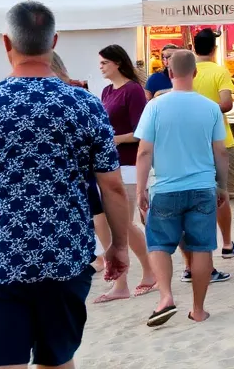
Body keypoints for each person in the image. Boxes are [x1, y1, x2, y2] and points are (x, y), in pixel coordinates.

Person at [0, 1, 130, 367]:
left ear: (6, 43)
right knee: (57, 359)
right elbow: (113, 187)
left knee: (4, 361)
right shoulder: (85, 106)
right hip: (65, 255)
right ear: (53, 41)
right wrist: (118, 247)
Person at [134, 49, 230, 326]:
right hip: (202, 186)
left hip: (165, 186)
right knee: (201, 247)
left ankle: (166, 296)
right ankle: (198, 309)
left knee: (159, 243)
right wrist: (222, 186)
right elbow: (221, 152)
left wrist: (141, 189)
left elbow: (144, 152)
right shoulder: (210, 107)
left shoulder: (155, 106)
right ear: (195, 73)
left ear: (169, 72)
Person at [93, 44, 155, 303]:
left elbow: (141, 131)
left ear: (117, 63)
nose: (100, 67)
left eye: (104, 62)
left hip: (128, 163)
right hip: (110, 164)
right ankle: (132, 278)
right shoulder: (107, 91)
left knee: (124, 224)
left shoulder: (133, 91)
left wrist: (115, 139)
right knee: (115, 223)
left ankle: (140, 276)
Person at [189, 28, 234, 261]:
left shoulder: (187, 72)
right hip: (221, 139)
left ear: (194, 48)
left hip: (194, 142)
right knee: (227, 192)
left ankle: (202, 247)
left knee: (201, 194)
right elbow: (226, 103)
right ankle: (227, 243)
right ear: (214, 48)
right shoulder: (219, 71)